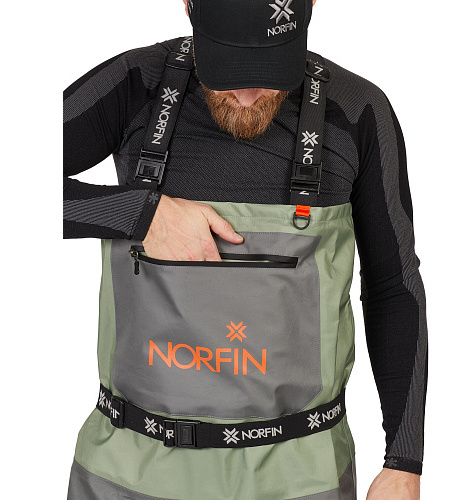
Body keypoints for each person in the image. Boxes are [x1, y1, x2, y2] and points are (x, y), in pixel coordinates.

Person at [63, 0, 427, 498]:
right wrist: (140, 213)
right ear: (188, 6)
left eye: (271, 69)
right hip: (126, 471)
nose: (248, 92)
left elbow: (393, 286)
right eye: (228, 66)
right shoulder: (136, 86)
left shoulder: (357, 111)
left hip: (301, 477)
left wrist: (403, 461)